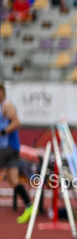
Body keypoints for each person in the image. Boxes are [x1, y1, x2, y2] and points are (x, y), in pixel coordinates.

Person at [0, 83, 33, 223]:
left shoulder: (6, 105)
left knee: (13, 179)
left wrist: (3, 132)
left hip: (6, 147)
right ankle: (29, 205)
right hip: (11, 148)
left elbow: (17, 122)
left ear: (2, 92)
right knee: (13, 180)